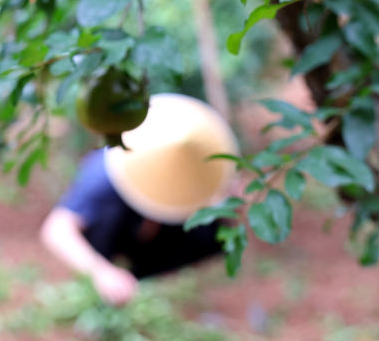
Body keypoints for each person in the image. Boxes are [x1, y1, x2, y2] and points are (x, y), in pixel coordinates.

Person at [40, 93, 239, 305]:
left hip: (155, 233)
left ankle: (140, 277)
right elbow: (57, 230)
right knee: (106, 216)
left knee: (213, 234)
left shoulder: (199, 172)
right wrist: (101, 272)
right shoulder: (104, 176)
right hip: (115, 231)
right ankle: (113, 272)